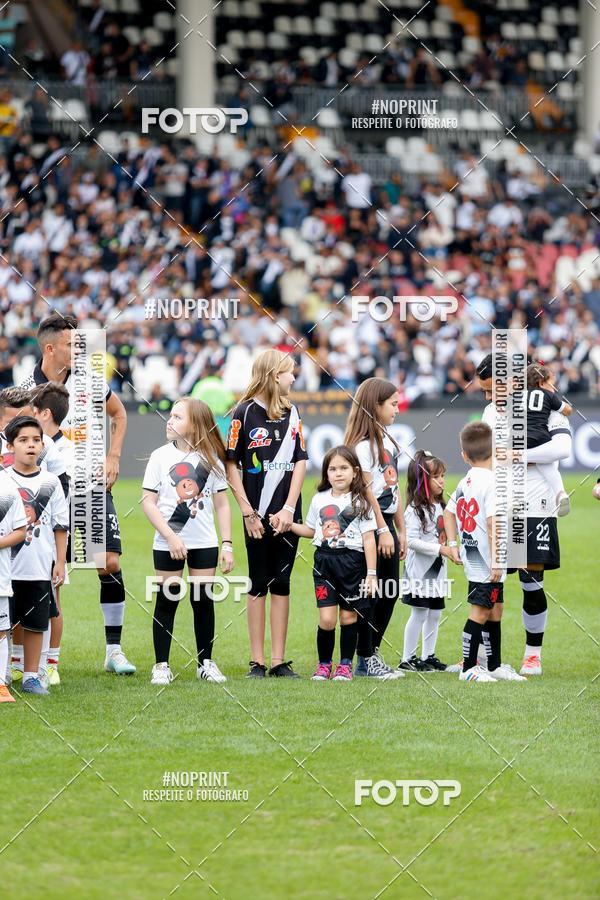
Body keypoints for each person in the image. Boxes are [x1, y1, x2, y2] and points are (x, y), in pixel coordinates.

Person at [20, 314, 135, 676]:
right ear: (51, 348)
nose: (79, 349)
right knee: (53, 574)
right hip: (50, 491)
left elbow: (119, 414)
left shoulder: (88, 379)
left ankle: (113, 650)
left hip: (90, 485)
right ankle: (46, 662)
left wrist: (113, 455)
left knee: (109, 563)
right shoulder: (26, 389)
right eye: (72, 344)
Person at [476, 352, 572, 676]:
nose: (489, 398)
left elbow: (562, 448)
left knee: (532, 582)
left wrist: (519, 454)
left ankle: (532, 655)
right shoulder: (492, 411)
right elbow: (487, 455)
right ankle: (486, 656)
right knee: (495, 579)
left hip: (537, 504)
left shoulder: (546, 403)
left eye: (492, 389)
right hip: (502, 502)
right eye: (485, 392)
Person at [225, 349, 308, 678]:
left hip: (287, 514)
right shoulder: (242, 413)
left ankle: (278, 660)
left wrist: (289, 508)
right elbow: (231, 462)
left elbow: (301, 460)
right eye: (290, 373)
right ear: (275, 375)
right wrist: (246, 510)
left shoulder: (293, 411)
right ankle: (256, 662)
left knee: (283, 582)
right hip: (255, 515)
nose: (293, 378)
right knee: (258, 582)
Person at [142, 398, 233, 685]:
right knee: (167, 600)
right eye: (170, 416)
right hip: (167, 542)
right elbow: (148, 502)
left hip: (204, 542)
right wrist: (170, 537)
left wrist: (227, 544)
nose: (169, 421)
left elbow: (222, 505)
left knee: (203, 600)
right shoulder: (159, 456)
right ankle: (161, 665)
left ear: (195, 425)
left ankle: (205, 663)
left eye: (177, 417)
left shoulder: (212, 460)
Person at [444, 423, 526, 683]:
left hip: (473, 553)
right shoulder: (493, 482)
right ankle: (469, 668)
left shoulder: (465, 480)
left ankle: (493, 664)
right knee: (480, 611)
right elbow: (493, 523)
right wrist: (499, 560)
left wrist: (453, 544)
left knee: (495, 608)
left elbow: (448, 512)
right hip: (486, 559)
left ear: (464, 456)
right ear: (495, 451)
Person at [288, 446, 377, 682]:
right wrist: (287, 524)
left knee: (349, 618)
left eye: (344, 468)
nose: (338, 473)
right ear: (326, 474)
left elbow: (369, 539)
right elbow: (310, 530)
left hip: (353, 564)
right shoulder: (319, 499)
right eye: (333, 469)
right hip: (324, 563)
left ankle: (345, 665)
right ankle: (324, 665)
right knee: (327, 619)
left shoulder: (361, 501)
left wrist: (371, 574)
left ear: (355, 472)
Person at [344, 378, 406, 679]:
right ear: (375, 406)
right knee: (374, 593)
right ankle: (365, 657)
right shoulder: (363, 447)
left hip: (389, 525)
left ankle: (370, 654)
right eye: (392, 404)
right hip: (373, 526)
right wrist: (383, 529)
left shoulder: (387, 440)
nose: (397, 409)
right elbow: (367, 491)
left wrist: (401, 530)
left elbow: (396, 488)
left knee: (389, 591)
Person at [5, 416, 69, 695]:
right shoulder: (3, 481)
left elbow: (60, 524)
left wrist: (60, 561)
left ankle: (32, 675)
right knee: (4, 624)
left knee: (35, 623)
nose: (31, 445)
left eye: (36, 440)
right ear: (10, 447)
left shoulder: (51, 482)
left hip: (38, 567)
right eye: (23, 440)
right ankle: (4, 673)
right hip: (6, 568)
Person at [30, 382, 73, 686]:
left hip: (54, 531)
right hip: (28, 535)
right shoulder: (24, 441)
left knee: (52, 598)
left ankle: (51, 662)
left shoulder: (63, 449)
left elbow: (65, 494)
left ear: (44, 413)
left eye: (32, 411)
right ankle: (22, 661)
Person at [399, 450, 455, 673]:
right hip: (419, 573)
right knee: (420, 613)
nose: (441, 481)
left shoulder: (442, 507)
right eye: (436, 477)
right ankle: (407, 658)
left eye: (442, 476)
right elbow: (411, 541)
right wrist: (440, 549)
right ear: (422, 481)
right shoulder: (414, 510)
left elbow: (448, 531)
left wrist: (452, 547)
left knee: (435, 613)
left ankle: (428, 655)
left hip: (438, 572)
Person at [526, 363, 572, 516]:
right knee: (547, 461)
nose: (554, 387)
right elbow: (567, 410)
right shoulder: (548, 395)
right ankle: (560, 493)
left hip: (519, 438)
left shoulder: (516, 395)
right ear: (541, 383)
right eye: (551, 383)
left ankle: (513, 501)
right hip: (541, 437)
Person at [0, 469, 27, 702]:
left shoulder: (8, 488)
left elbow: (21, 531)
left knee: (0, 630)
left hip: (0, 577)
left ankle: (0, 685)